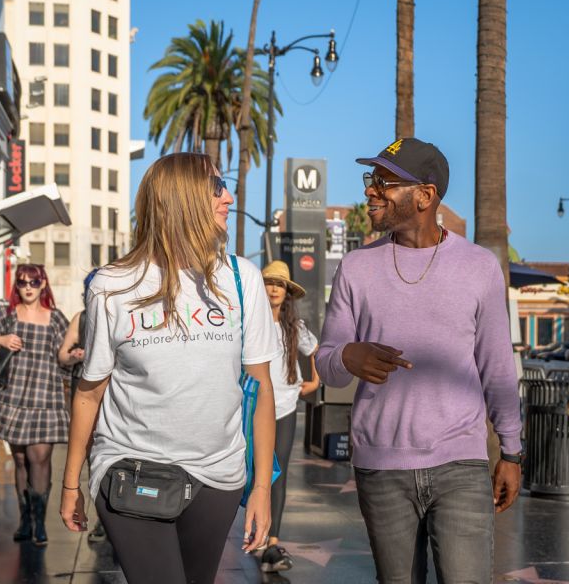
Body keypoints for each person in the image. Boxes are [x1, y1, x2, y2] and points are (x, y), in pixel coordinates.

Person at [60, 152, 280, 584]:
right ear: (182, 198)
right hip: (132, 470)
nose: (229, 196)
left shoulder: (241, 278)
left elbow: (262, 386)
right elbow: (90, 391)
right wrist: (70, 485)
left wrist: (261, 489)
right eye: (217, 186)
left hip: (220, 476)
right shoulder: (112, 286)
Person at [315, 138, 523, 584]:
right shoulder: (355, 267)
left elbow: (497, 366)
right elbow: (326, 362)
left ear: (425, 197)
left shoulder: (479, 267)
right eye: (371, 180)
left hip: (461, 465)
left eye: (384, 182)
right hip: (381, 466)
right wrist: (349, 356)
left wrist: (511, 451)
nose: (371, 191)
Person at [0, 264, 70, 546]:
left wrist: (74, 355)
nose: (28, 287)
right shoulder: (8, 315)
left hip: (46, 396)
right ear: (17, 286)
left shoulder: (56, 318)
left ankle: (40, 524)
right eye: (22, 282)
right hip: (14, 396)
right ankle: (26, 521)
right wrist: (1, 339)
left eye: (34, 281)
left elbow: (64, 355)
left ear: (43, 284)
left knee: (39, 459)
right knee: (20, 459)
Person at [259, 260, 321, 573]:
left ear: (287, 292)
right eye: (269, 282)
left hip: (285, 406)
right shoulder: (250, 323)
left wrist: (314, 381)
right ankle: (252, 531)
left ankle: (272, 543)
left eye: (279, 284)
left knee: (277, 474)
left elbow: (315, 350)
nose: (273, 288)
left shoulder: (293, 326)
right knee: (247, 473)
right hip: (254, 407)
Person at [57, 268, 106, 543]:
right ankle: (100, 516)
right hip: (85, 389)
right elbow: (63, 355)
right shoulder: (83, 318)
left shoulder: (120, 313)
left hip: (112, 392)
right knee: (89, 452)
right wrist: (76, 355)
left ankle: (108, 514)